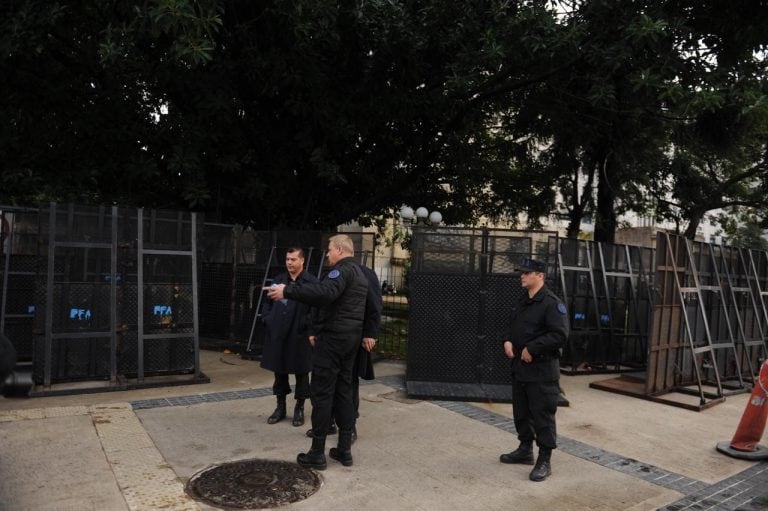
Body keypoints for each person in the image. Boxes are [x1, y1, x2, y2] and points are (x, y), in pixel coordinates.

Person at [266, 234, 368, 470]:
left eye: (330, 250)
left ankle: (317, 453)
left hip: (332, 341)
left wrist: (288, 292)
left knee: (322, 393)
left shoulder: (341, 271)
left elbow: (324, 294)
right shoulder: (361, 274)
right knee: (344, 391)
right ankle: (344, 450)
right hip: (351, 339)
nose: (328, 255)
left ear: (341, 250)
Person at [500, 257, 569, 482]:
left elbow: (559, 335)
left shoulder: (551, 303)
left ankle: (544, 460)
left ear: (540, 276)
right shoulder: (523, 301)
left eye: (527, 273)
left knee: (542, 415)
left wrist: (533, 348)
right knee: (521, 412)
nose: (522, 275)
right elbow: (512, 326)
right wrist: (508, 340)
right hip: (520, 368)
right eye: (522, 272)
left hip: (541, 371)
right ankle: (525, 450)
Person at [306, 263, 382, 443]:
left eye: (331, 249)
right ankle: (328, 423)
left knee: (348, 383)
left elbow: (374, 304)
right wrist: (313, 330)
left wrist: (370, 333)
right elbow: (320, 303)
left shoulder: (365, 273)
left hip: (352, 337)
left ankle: (349, 427)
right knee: (328, 383)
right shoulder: (330, 272)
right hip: (329, 336)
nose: (327, 254)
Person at [260, 247, 318, 427]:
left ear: (302, 261)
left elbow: (316, 308)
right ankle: (280, 407)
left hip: (300, 333)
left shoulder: (311, 282)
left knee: (301, 372)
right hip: (279, 332)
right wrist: (269, 320)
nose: (290, 263)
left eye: (293, 259)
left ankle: (299, 408)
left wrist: (307, 327)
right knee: (280, 370)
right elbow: (267, 303)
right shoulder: (279, 279)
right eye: (287, 259)